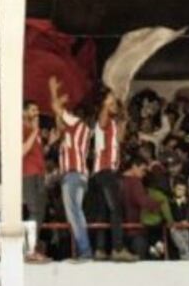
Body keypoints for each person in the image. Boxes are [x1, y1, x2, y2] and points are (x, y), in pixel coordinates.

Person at [87, 91, 136, 262]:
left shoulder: (113, 124)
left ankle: (100, 249)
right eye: (111, 102)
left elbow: (120, 139)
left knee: (103, 212)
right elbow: (103, 116)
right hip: (105, 170)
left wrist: (124, 120)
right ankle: (118, 248)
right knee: (116, 209)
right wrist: (108, 101)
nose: (114, 104)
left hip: (105, 171)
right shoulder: (103, 120)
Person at [50, 77, 93, 260]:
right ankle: (84, 250)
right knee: (76, 213)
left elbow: (57, 110)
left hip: (73, 175)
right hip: (78, 175)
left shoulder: (77, 124)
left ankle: (85, 251)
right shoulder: (74, 132)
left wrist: (53, 91)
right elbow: (59, 121)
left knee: (74, 213)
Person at [21, 100, 49, 262]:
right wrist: (35, 131)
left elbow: (36, 152)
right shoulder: (21, 128)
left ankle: (32, 247)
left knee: (40, 212)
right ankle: (29, 250)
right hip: (28, 174)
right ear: (23, 112)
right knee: (34, 211)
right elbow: (22, 151)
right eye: (32, 110)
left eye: (37, 110)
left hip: (39, 174)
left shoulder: (33, 130)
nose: (36, 113)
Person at [119, 156, 160, 259]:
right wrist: (158, 205)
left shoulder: (118, 180)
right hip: (135, 230)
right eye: (142, 170)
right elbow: (141, 200)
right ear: (134, 167)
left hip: (119, 232)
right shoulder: (135, 182)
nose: (144, 173)